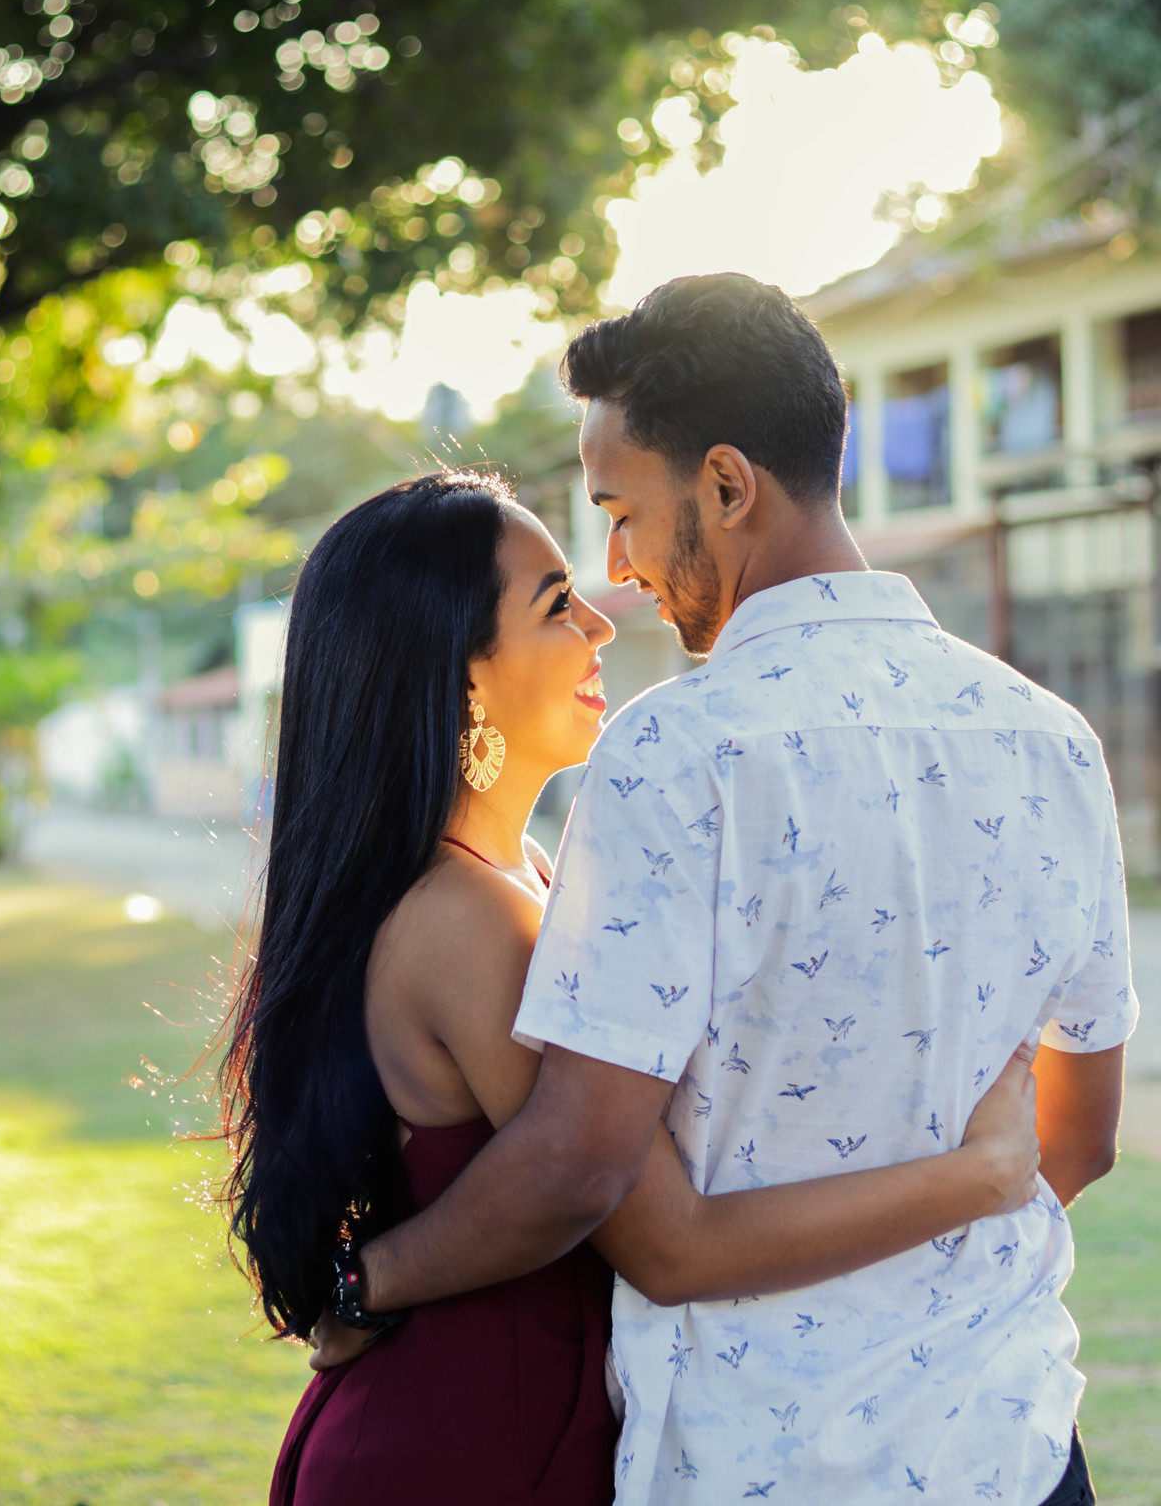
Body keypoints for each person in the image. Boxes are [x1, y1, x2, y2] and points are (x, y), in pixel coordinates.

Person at [328, 276, 1138, 1506]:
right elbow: (1077, 1138)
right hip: (1014, 1451)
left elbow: (594, 1182)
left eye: (621, 512)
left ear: (725, 484)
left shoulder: (675, 754)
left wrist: (363, 1283)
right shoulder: (1056, 742)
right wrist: (959, 1207)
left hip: (764, 1464)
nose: (618, 567)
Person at [221, 467, 1040, 1506]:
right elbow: (644, 1220)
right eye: (557, 605)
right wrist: (982, 1174)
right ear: (463, 677)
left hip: (512, 1420)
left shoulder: (517, 878)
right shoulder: (471, 920)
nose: (602, 627)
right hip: (463, 1445)